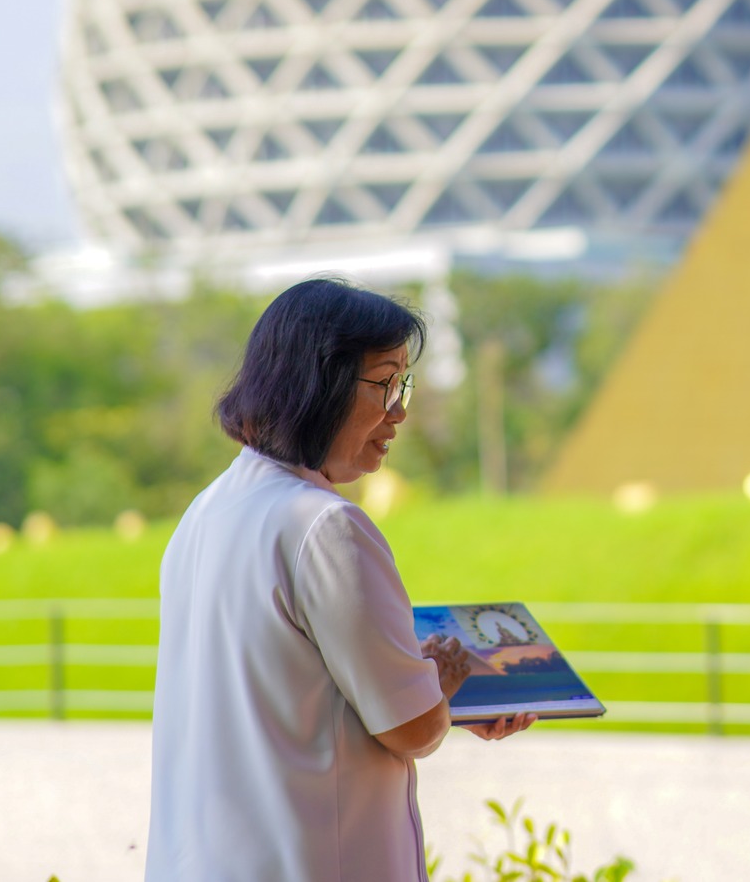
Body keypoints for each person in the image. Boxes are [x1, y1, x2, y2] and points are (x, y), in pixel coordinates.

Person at [146, 278, 533, 882]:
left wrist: (428, 685)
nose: (400, 410)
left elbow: (287, 702)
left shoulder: (205, 513)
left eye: (403, 384)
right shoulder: (325, 525)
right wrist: (442, 684)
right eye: (385, 383)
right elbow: (410, 729)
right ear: (316, 381)